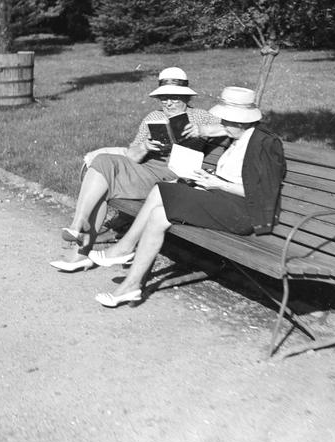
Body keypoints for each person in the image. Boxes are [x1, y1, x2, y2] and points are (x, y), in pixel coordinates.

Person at [90, 86, 286, 308]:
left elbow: (263, 195)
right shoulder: (238, 137)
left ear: (241, 121)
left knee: (163, 192)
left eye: (226, 121)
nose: (221, 125)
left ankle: (124, 250)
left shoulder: (266, 144)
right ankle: (131, 286)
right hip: (221, 199)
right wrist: (206, 178)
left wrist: (218, 183)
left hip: (243, 213)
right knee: (158, 212)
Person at [50, 67, 225, 272]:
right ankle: (77, 227)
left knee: (104, 186)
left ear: (186, 97)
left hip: (176, 176)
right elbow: (132, 155)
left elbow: (236, 129)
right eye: (163, 98)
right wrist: (145, 147)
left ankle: (80, 252)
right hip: (149, 170)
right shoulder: (153, 116)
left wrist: (204, 130)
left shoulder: (200, 117)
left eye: (174, 98)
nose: (168, 103)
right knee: (103, 161)